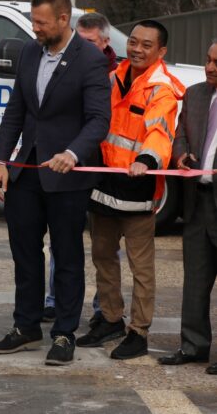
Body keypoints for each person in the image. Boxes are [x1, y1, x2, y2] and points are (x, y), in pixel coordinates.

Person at [0, 0, 111, 366]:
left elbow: (99, 120)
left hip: (68, 177)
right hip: (27, 170)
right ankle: (26, 327)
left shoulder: (89, 59)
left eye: (40, 22)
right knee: (24, 251)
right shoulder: (28, 52)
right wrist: (1, 161)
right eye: (33, 21)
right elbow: (16, 111)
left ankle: (65, 333)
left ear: (62, 19)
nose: (34, 28)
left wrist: (72, 153)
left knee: (67, 254)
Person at [76, 20, 183, 359]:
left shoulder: (161, 88)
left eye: (146, 45)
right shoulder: (113, 77)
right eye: (133, 42)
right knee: (103, 257)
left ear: (161, 51)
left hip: (138, 188)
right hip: (104, 185)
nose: (137, 49)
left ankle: (138, 331)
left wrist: (147, 160)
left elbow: (159, 131)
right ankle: (110, 318)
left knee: (141, 268)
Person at [44, 11, 118, 323]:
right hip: (68, 167)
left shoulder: (121, 78)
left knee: (105, 247)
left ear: (105, 43)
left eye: (89, 43)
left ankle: (104, 311)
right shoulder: (64, 67)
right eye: (79, 41)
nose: (82, 48)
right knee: (61, 240)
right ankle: (53, 300)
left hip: (104, 170)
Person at [159, 40, 217, 374]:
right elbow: (179, 135)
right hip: (197, 202)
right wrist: (180, 154)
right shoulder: (194, 95)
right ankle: (193, 346)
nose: (209, 67)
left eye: (216, 63)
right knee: (195, 280)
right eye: (207, 60)